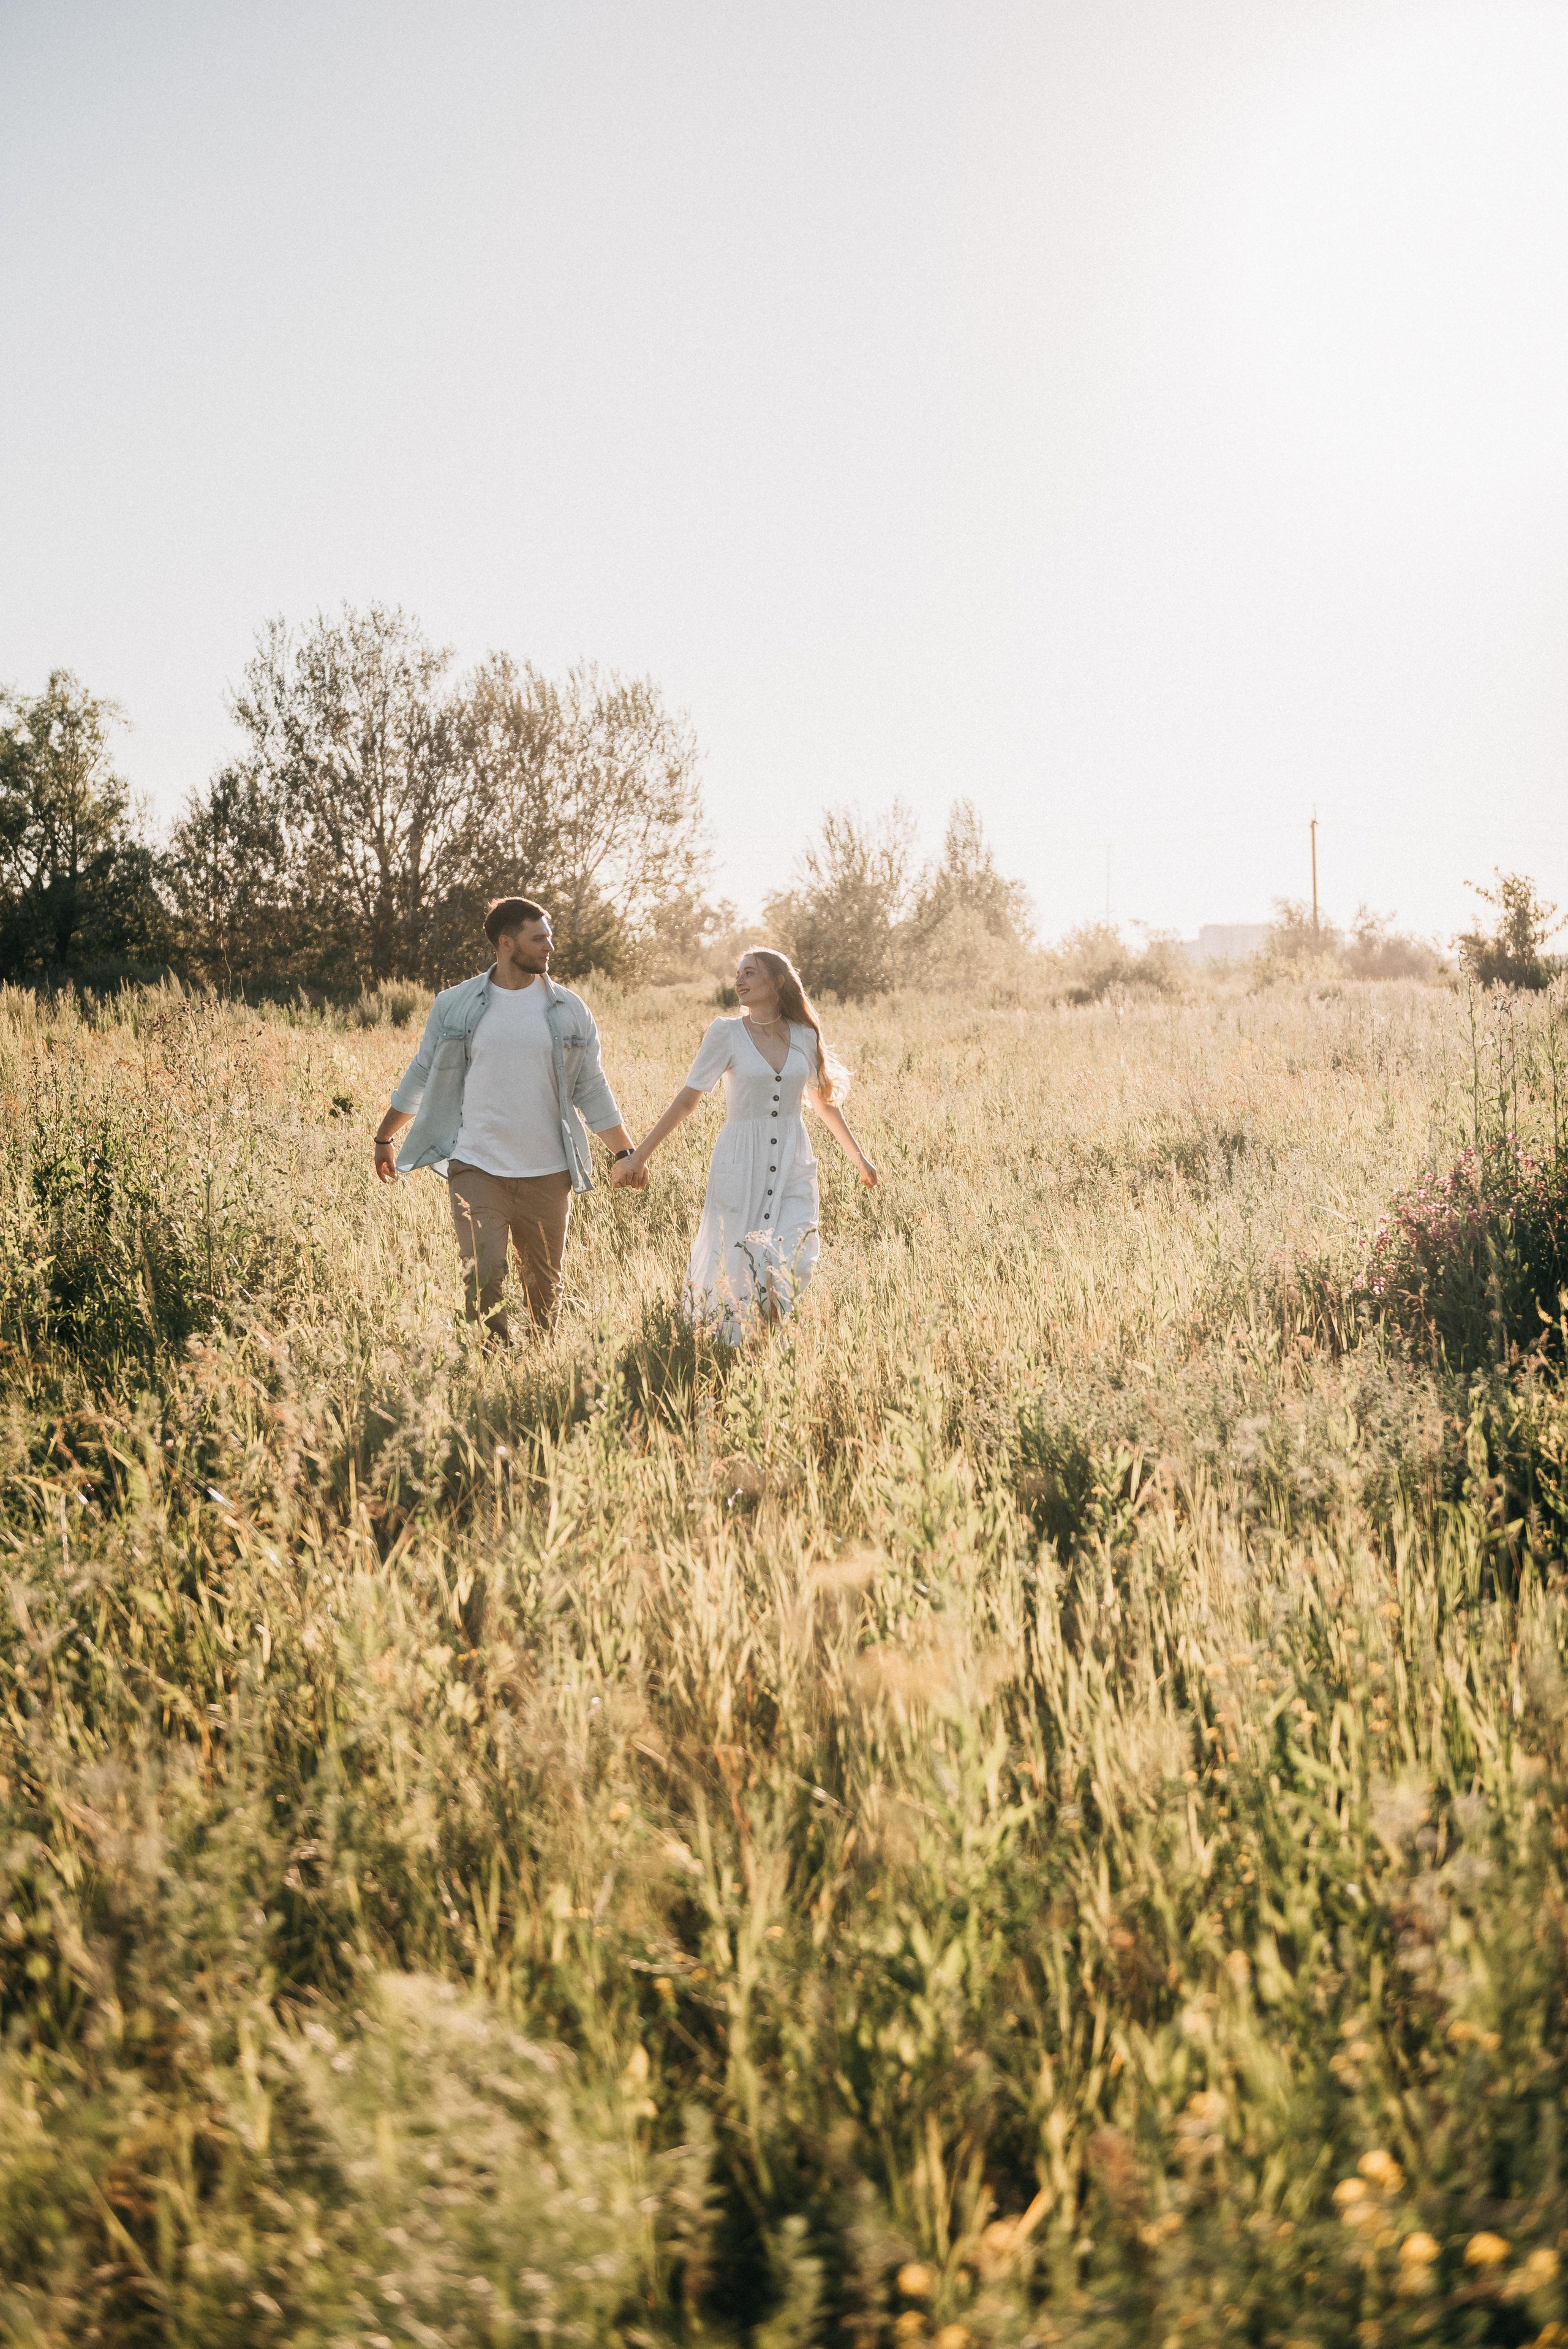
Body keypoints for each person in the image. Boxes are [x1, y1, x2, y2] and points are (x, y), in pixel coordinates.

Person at [372, 897, 645, 1342]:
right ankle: (492, 1361)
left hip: (548, 1172)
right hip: (477, 1167)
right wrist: (385, 1135)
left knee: (544, 1290)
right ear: (505, 943)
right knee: (483, 1276)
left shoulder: (569, 1010)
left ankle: (538, 1369)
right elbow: (423, 1070)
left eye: (550, 936)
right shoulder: (455, 1005)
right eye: (539, 938)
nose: (550, 947)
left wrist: (625, 1151)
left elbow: (591, 1087)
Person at [611, 946, 878, 1338]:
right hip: (740, 1160)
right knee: (738, 1256)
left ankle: (770, 1333)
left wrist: (860, 1160)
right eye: (738, 974)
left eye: (750, 973)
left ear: (778, 981)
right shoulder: (726, 1033)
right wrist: (638, 1156)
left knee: (795, 1255)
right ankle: (743, 1343)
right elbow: (688, 1100)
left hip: (793, 1158)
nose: (740, 981)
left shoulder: (805, 1035)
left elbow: (824, 1103)